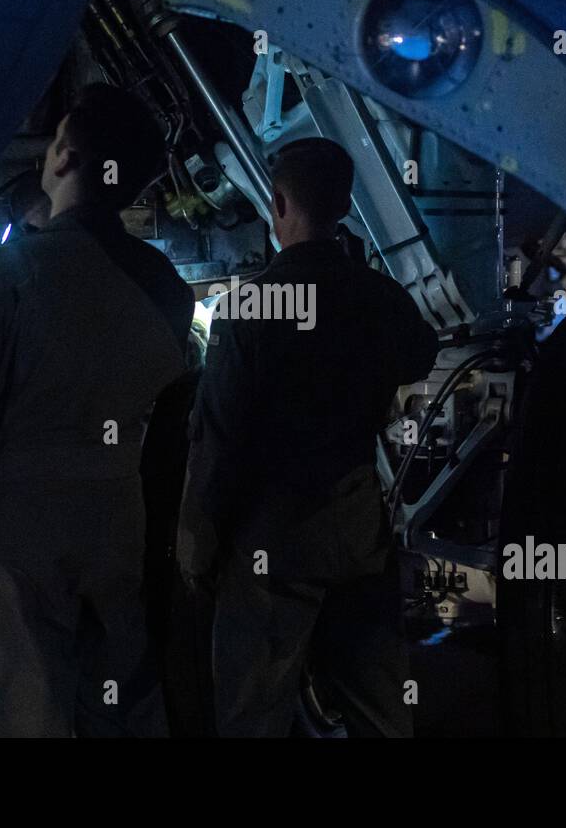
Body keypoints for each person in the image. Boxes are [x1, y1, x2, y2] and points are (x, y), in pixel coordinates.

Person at [0, 82, 194, 737]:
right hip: (119, 518)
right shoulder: (168, 290)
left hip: (19, 528)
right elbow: (177, 429)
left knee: (21, 706)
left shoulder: (7, 277)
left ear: (60, 157)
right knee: (118, 704)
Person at [177, 137, 439, 737]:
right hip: (355, 533)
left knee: (252, 715)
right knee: (381, 713)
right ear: (345, 205)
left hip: (271, 541)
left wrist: (197, 545)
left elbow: (216, 440)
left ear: (277, 204)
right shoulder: (376, 296)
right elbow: (421, 355)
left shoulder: (250, 307)